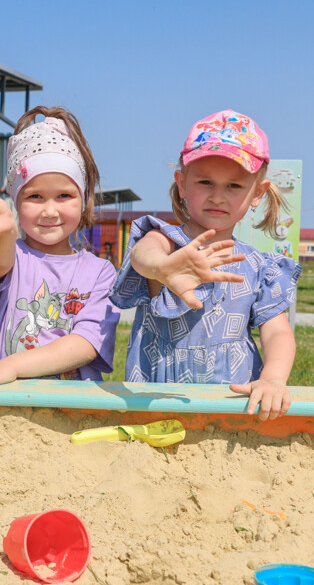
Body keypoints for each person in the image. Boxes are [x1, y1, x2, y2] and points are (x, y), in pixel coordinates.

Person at [111, 110, 300, 420]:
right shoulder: (166, 241)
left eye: (233, 186)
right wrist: (163, 268)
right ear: (182, 184)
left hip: (232, 401)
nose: (218, 196)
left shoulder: (258, 267)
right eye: (205, 182)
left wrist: (273, 379)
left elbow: (277, 332)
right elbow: (142, 254)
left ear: (257, 193)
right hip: (158, 396)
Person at [0, 107, 120, 386]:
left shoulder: (100, 272)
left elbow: (86, 343)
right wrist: (3, 232)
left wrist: (13, 365)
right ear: (16, 200)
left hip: (71, 406)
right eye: (35, 196)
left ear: (84, 199)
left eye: (64, 195)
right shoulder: (14, 255)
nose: (50, 211)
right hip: (5, 404)